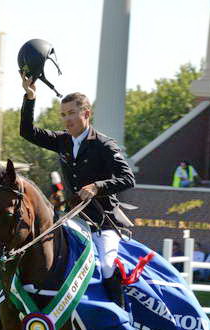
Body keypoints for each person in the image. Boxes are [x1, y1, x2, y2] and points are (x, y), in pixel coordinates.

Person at [19, 74, 135, 307]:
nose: (66, 119)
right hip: (74, 220)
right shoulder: (62, 141)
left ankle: (120, 315)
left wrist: (96, 187)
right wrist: (30, 98)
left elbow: (127, 179)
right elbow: (27, 132)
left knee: (107, 265)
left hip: (103, 223)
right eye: (63, 114)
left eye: (71, 113)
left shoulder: (104, 144)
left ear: (86, 114)